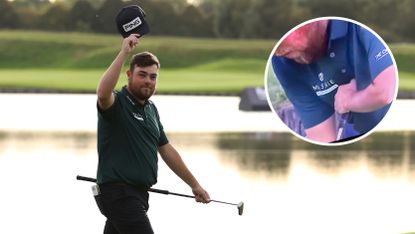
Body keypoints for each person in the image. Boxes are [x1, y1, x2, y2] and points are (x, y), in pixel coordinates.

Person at [95, 33, 210, 234]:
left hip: (139, 194)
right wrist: (124, 53)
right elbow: (103, 94)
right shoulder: (118, 103)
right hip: (119, 194)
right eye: (142, 74)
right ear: (129, 75)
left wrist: (194, 185)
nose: (148, 81)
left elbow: (166, 149)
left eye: (153, 76)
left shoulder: (151, 109)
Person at [271, 19, 396, 143]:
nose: (277, 51)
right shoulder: (282, 62)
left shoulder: (360, 26)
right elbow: (321, 137)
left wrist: (348, 101)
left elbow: (384, 92)